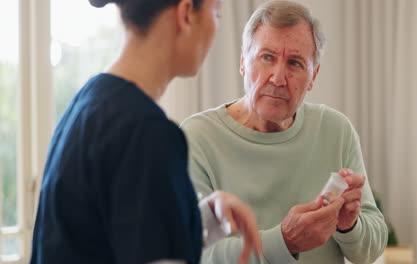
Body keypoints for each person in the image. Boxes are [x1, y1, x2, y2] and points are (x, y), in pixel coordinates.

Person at [30, 0, 263, 264]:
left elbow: (109, 238)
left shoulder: (89, 102)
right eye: (216, 13)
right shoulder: (146, 132)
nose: (216, 28)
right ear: (186, 13)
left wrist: (203, 218)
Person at [180, 1, 388, 263]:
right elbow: (193, 254)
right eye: (266, 57)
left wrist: (349, 225)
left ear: (313, 76)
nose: (278, 78)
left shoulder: (335, 130)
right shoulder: (197, 136)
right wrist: (284, 241)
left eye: (295, 63)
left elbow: (370, 251)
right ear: (244, 62)